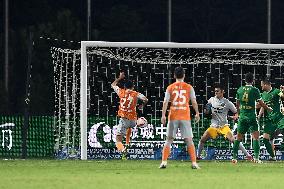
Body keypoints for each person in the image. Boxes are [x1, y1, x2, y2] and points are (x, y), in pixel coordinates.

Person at [197, 84, 252, 160]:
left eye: (217, 91)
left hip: (223, 126)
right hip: (214, 126)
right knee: (202, 139)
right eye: (215, 91)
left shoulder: (227, 102)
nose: (216, 92)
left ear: (222, 92)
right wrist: (206, 111)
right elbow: (206, 111)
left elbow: (236, 112)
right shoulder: (211, 100)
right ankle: (198, 156)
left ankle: (248, 155)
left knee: (233, 140)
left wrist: (234, 117)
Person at [159, 67, 200, 169]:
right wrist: (197, 113)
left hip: (173, 116)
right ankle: (194, 163)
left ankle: (164, 162)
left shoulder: (170, 87)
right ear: (184, 75)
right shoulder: (189, 87)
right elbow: (193, 101)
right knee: (189, 140)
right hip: (185, 116)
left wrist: (163, 115)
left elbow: (165, 102)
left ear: (174, 75)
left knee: (169, 140)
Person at [232, 73, 272, 164]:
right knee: (256, 137)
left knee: (238, 138)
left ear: (245, 80)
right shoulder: (255, 90)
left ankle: (234, 158)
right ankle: (256, 158)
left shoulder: (240, 89)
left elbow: (237, 104)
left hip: (242, 116)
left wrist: (238, 113)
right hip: (251, 116)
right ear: (252, 80)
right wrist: (267, 108)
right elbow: (261, 103)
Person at [111, 72, 148, 159]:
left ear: (124, 87)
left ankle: (123, 150)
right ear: (133, 87)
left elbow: (113, 84)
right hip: (133, 120)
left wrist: (119, 78)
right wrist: (142, 105)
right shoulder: (135, 94)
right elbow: (146, 99)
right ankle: (140, 123)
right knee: (130, 126)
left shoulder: (121, 92)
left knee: (118, 140)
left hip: (124, 120)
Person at [258, 78, 284, 161]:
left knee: (282, 130)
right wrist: (258, 116)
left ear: (266, 84)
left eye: (262, 85)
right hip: (269, 120)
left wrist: (283, 91)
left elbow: (283, 96)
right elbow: (263, 106)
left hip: (279, 117)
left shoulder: (276, 91)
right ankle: (273, 157)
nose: (261, 87)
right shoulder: (263, 94)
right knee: (265, 139)